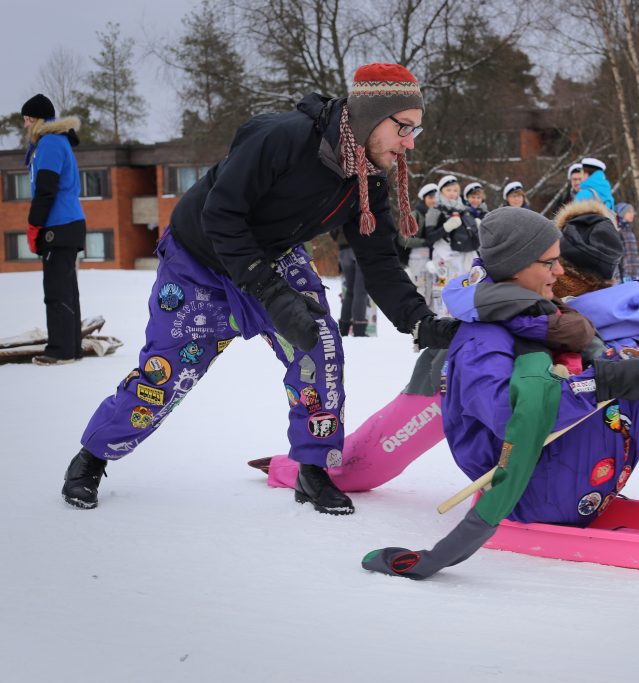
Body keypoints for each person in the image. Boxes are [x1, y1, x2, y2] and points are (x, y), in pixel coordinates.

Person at [60, 63, 458, 515]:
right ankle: (93, 455)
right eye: (403, 127)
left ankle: (313, 469)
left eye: (415, 131)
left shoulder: (365, 182)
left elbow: (379, 262)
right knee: (166, 373)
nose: (409, 142)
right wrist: (270, 294)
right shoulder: (284, 138)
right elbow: (221, 216)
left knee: (320, 347)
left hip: (273, 255)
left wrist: (419, 321)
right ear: (369, 116)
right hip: (201, 260)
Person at [362, 203, 639, 579]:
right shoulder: (482, 342)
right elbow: (508, 415)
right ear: (517, 267)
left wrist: (609, 370)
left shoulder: (538, 316)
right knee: (635, 370)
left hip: (563, 475)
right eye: (550, 262)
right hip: (530, 490)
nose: (560, 271)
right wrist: (603, 381)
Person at [21, 94, 87, 366]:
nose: (25, 125)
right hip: (69, 222)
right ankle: (72, 347)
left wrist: (34, 225)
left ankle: (61, 350)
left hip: (57, 225)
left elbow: (46, 189)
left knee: (57, 290)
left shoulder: (48, 143)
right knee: (67, 289)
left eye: (27, 120)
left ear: (39, 120)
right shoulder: (57, 141)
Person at [423, 175, 478, 315]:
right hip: (442, 258)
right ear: (441, 191)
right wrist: (446, 227)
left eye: (455, 190)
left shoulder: (463, 209)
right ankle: (441, 321)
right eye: (448, 190)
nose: (452, 193)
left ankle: (460, 318)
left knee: (462, 290)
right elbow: (429, 237)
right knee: (442, 291)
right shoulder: (434, 210)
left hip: (462, 258)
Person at [404, 183, 437, 304]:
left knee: (433, 292)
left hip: (434, 258)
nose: (434, 200)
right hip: (417, 258)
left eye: (435, 197)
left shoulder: (438, 214)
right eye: (430, 197)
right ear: (424, 199)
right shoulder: (415, 215)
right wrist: (424, 242)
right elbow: (403, 239)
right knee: (420, 290)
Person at [335, 233, 370, 337]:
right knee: (360, 291)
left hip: (343, 250)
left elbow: (334, 232)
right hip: (360, 247)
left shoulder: (339, 216)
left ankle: (343, 329)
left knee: (350, 290)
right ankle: (359, 331)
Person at [614, 202, 639, 282]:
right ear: (621, 213)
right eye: (629, 212)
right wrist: (618, 276)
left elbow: (634, 254)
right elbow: (617, 256)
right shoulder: (618, 231)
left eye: (633, 212)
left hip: (635, 275)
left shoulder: (630, 231)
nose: (632, 214)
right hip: (624, 275)